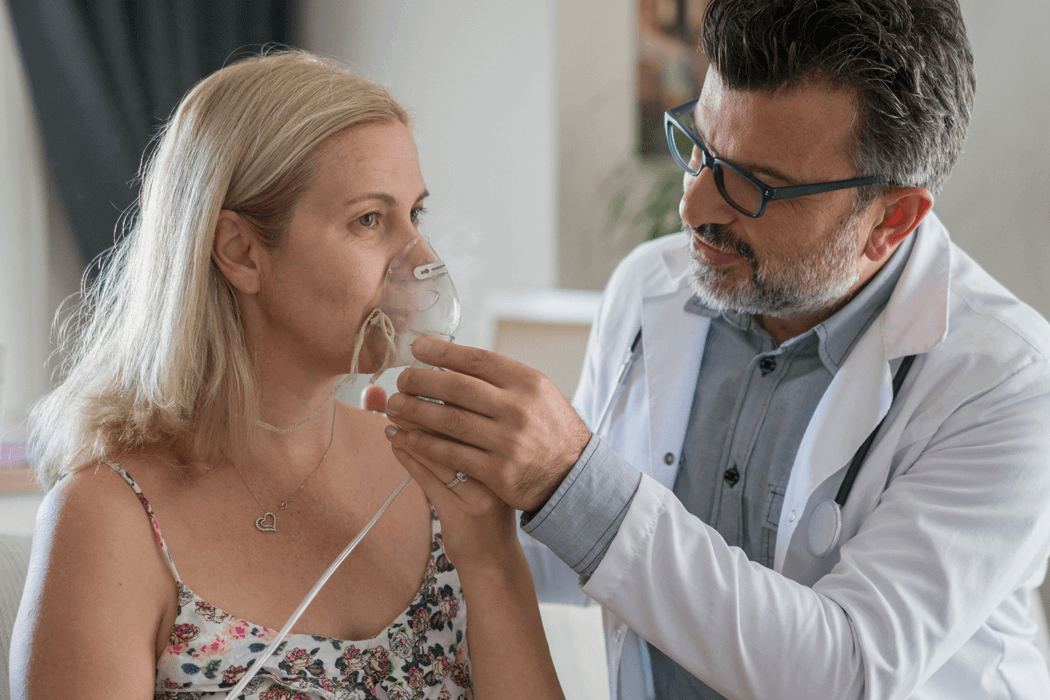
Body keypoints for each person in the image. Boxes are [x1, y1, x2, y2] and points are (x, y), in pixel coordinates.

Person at [380, 1, 1050, 698]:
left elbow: (843, 672)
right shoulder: (652, 286)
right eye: (700, 146)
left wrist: (570, 480)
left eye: (757, 185)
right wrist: (461, 479)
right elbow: (585, 556)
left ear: (892, 219)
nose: (695, 207)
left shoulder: (1008, 381)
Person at [10, 51, 564, 700]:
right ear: (240, 252)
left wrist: (491, 551)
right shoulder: (109, 519)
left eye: (415, 215)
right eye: (368, 220)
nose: (419, 259)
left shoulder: (435, 480)